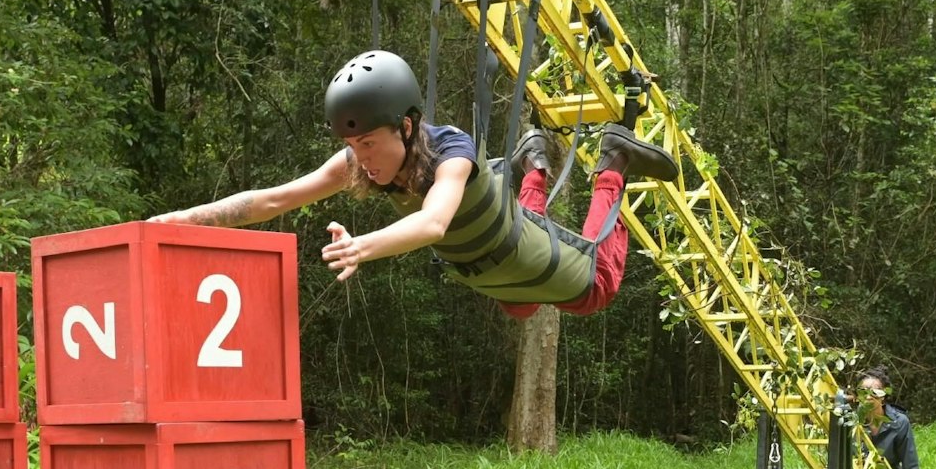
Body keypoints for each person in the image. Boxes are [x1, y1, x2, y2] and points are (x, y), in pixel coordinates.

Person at [148, 50, 679, 317]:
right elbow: (274, 198)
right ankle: (533, 166)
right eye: (353, 147)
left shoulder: (453, 154)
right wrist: (181, 220)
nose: (362, 159)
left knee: (597, 290)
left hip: (511, 248)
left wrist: (362, 248)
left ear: (406, 125)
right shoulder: (360, 159)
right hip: (494, 263)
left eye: (370, 144)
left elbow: (433, 221)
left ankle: (612, 163)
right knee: (520, 307)